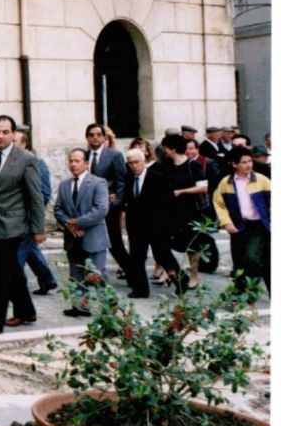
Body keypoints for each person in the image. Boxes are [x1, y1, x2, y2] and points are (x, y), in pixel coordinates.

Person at [0, 116, 45, 334]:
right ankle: (26, 310)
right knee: (11, 269)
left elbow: (35, 195)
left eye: (5, 132)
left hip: (13, 223)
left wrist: (38, 228)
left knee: (1, 272)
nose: (0, 136)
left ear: (13, 133)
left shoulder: (25, 158)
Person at [53, 148, 110, 317]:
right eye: (70, 161)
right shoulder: (65, 185)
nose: (73, 164)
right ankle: (80, 306)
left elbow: (101, 209)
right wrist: (70, 226)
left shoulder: (98, 183)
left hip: (93, 237)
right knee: (76, 275)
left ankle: (107, 309)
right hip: (73, 238)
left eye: (77, 161)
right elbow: (58, 209)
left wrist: (77, 223)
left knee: (97, 274)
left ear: (86, 163)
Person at [122, 148, 186, 297]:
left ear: (144, 161)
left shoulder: (158, 178)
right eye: (130, 163)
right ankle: (140, 290)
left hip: (157, 226)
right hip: (136, 226)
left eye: (136, 162)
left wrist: (167, 227)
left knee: (163, 255)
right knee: (137, 257)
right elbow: (129, 201)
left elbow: (168, 204)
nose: (134, 166)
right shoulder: (129, 178)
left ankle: (181, 281)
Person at [213, 146, 271, 295]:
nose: (248, 165)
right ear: (234, 164)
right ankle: (239, 295)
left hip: (258, 226)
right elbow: (219, 204)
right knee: (238, 262)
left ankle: (250, 293)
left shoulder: (262, 180)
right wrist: (226, 222)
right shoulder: (226, 183)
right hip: (238, 226)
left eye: (250, 161)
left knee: (252, 257)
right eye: (244, 162)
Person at [159, 133, 209, 288]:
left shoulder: (192, 166)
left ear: (172, 148)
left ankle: (194, 277)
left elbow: (203, 187)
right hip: (169, 210)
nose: (164, 151)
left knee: (191, 246)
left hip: (189, 211)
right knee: (165, 244)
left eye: (166, 148)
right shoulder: (166, 165)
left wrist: (182, 191)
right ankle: (170, 272)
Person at [14, 128, 58, 295]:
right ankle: (48, 280)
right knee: (30, 250)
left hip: (29, 219)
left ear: (24, 144)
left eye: (15, 142)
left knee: (17, 259)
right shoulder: (13, 162)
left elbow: (45, 193)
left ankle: (19, 293)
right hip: (16, 219)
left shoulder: (36, 163)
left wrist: (34, 217)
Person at [84, 123, 129, 277]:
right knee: (89, 243)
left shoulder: (114, 155)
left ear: (104, 137)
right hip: (89, 208)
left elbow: (122, 181)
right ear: (87, 138)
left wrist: (117, 203)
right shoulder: (84, 156)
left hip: (109, 207)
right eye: (91, 135)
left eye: (98, 134)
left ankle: (134, 276)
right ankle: (91, 275)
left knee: (114, 244)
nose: (95, 137)